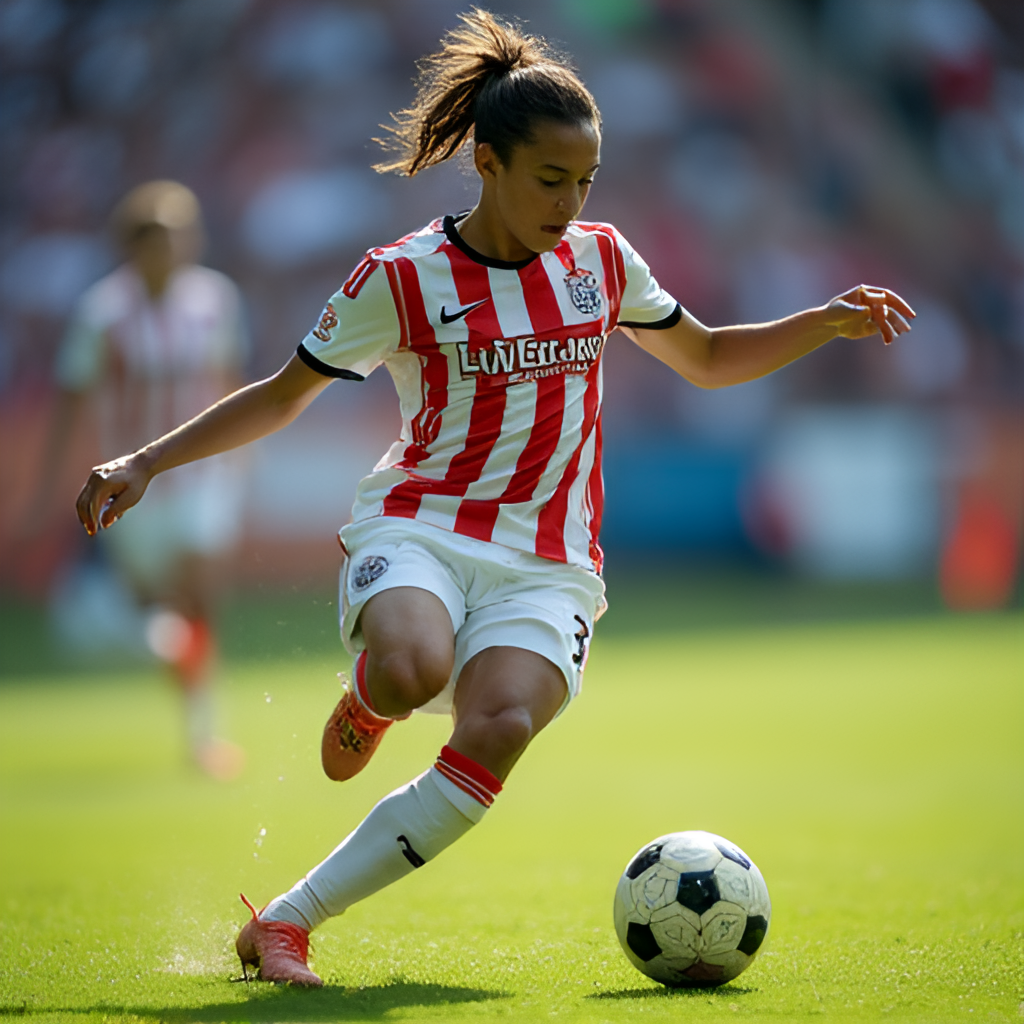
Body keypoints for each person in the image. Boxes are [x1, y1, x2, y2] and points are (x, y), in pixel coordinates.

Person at [74, 12, 914, 986]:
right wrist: (143, 460)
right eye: (548, 179)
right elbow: (279, 395)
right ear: (485, 162)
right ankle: (374, 696)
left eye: (584, 180)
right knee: (409, 663)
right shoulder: (401, 278)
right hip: (421, 523)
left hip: (550, 561)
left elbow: (711, 356)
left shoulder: (601, 260)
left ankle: (287, 922)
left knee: (499, 727)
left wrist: (821, 320)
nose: (569, 201)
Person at [50, 180, 248, 780]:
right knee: (156, 614)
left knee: (197, 596)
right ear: (132, 246)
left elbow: (231, 386)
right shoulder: (103, 313)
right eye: (158, 238)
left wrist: (240, 468)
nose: (172, 249)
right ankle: (152, 652)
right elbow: (71, 398)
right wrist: (48, 490)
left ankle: (204, 733)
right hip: (131, 487)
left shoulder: (214, 299)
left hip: (199, 479)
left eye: (180, 235)